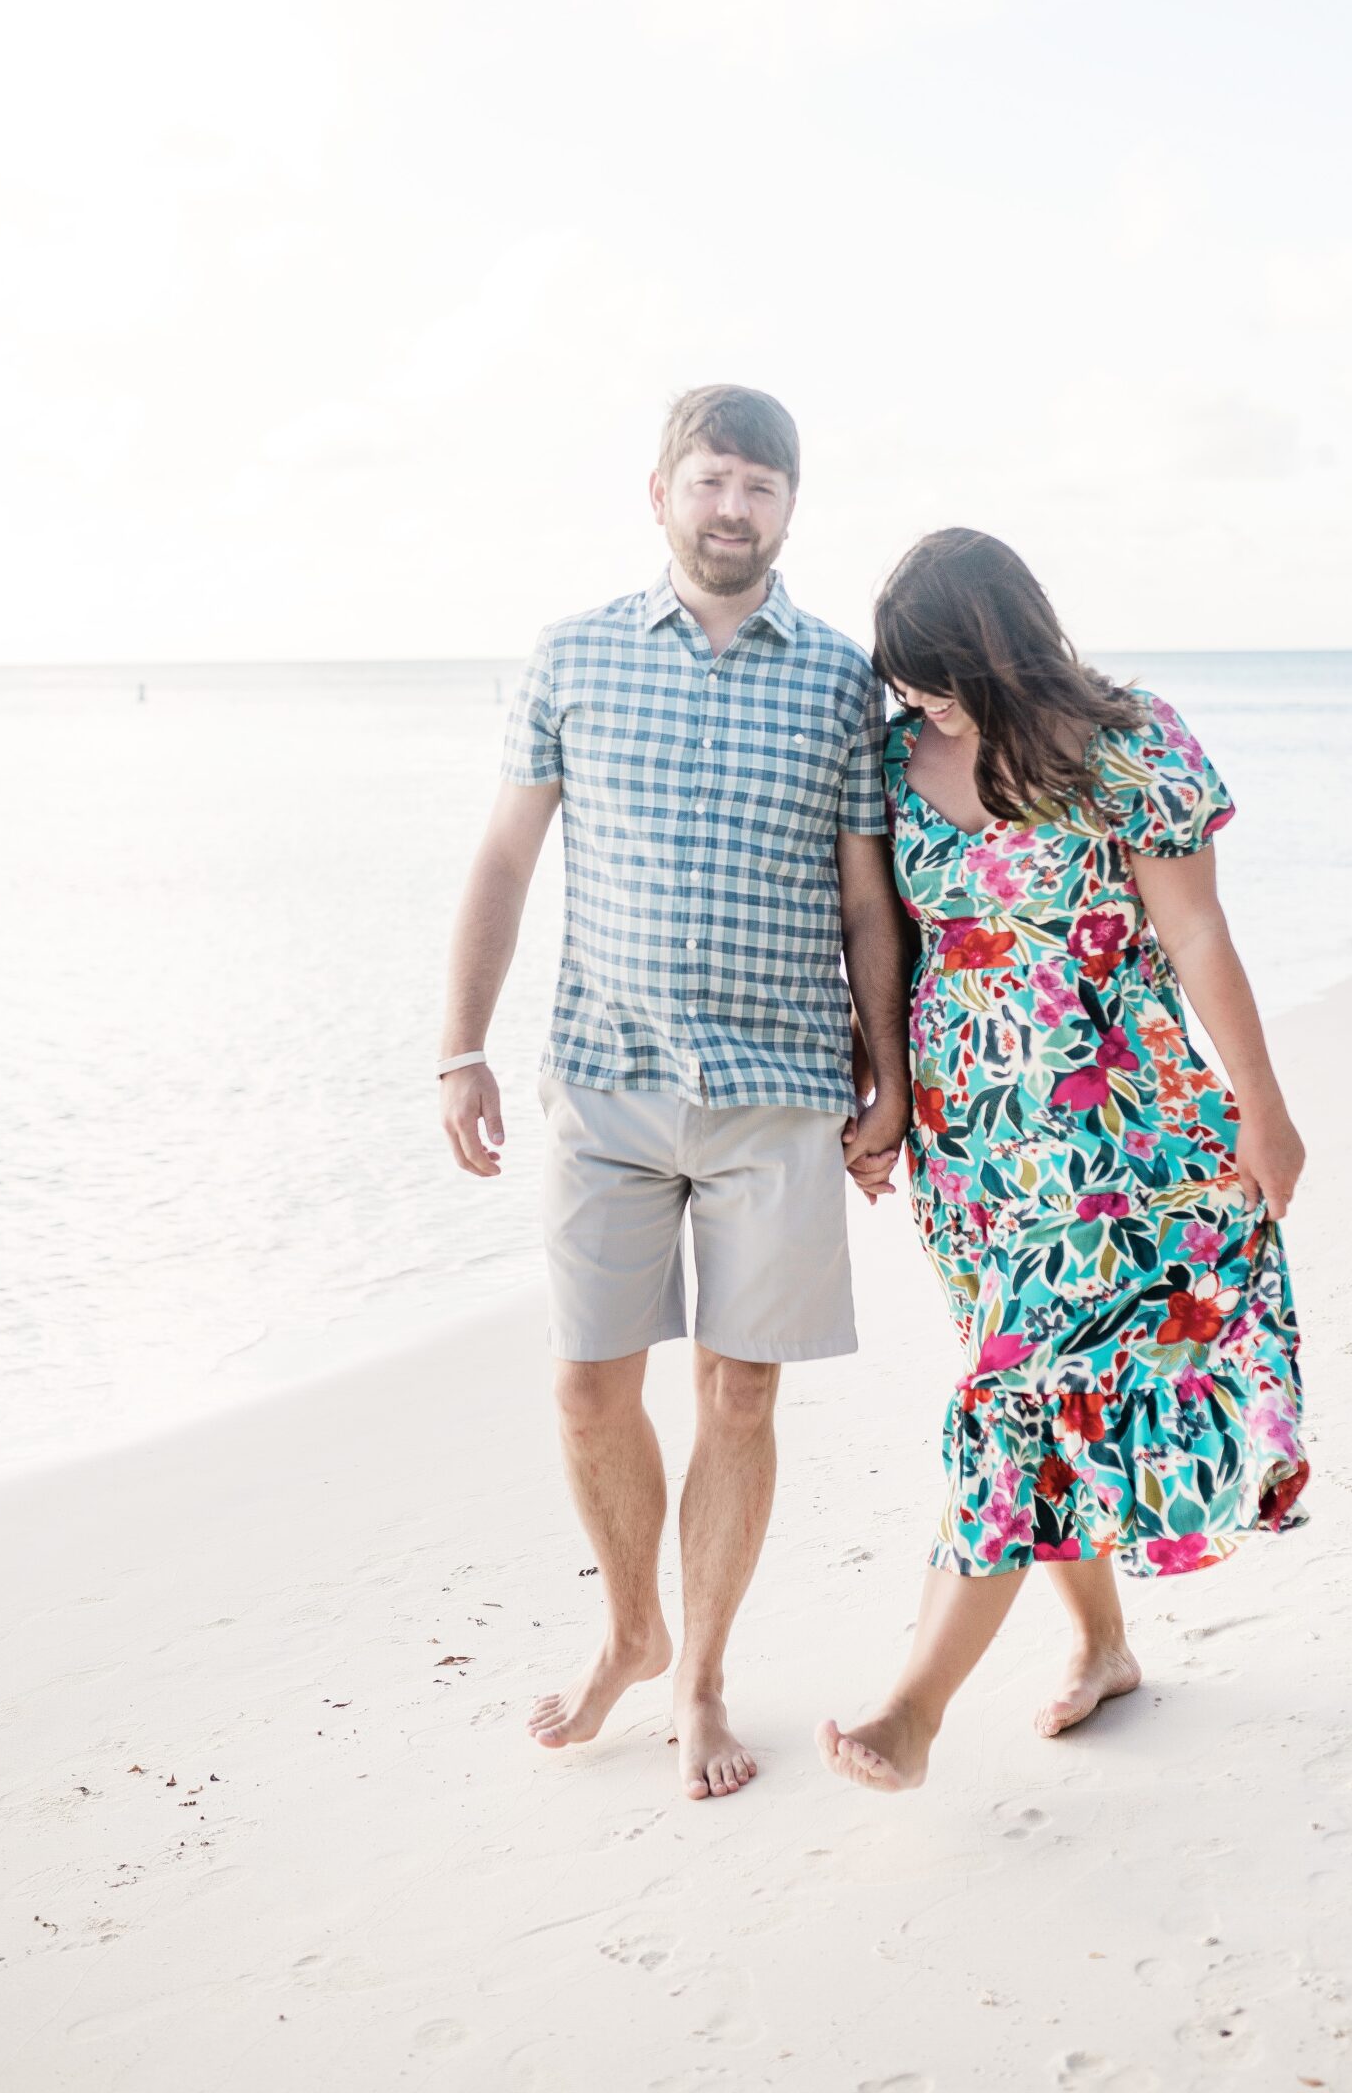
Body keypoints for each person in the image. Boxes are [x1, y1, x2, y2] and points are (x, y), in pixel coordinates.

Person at [440, 387, 911, 1802]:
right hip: (608, 1076)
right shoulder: (573, 656)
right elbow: (507, 861)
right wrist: (457, 1045)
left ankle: (700, 1675)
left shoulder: (839, 678)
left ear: (788, 511)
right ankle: (630, 1629)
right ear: (660, 493)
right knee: (590, 1389)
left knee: (739, 1396)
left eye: (761, 487)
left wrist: (888, 1080)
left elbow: (865, 900)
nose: (733, 507)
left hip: (777, 1088)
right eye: (712, 479)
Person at [820, 527, 1308, 1793]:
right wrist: (882, 1102)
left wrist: (1265, 1107)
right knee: (1042, 1393)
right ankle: (1101, 1644)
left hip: (1121, 1132)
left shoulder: (1130, 738)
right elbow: (884, 937)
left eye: (941, 676)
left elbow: (1196, 932)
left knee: (1014, 1392)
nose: (923, 701)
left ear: (1001, 644)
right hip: (976, 1146)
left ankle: (913, 1709)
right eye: (907, 680)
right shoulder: (887, 759)